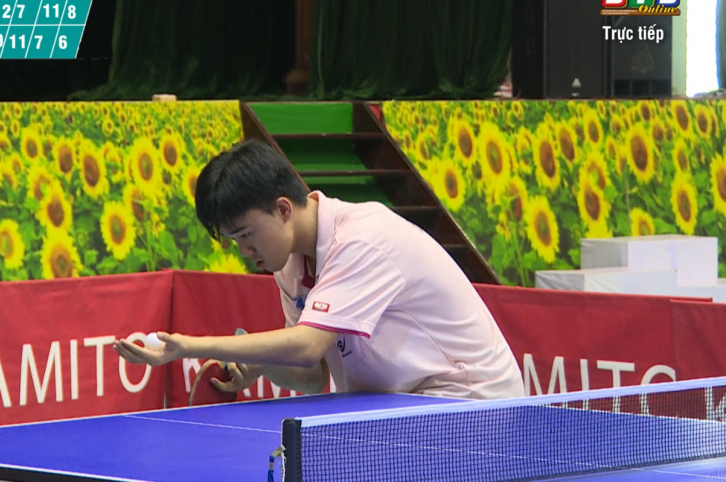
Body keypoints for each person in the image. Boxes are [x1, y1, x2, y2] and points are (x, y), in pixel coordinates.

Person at [113, 139, 524, 399]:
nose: (244, 250)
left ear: (283, 209)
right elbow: (313, 373)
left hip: (472, 404)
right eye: (234, 240)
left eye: (246, 234)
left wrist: (191, 345)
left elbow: (307, 346)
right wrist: (261, 367)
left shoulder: (362, 239)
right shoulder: (289, 264)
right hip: (404, 406)